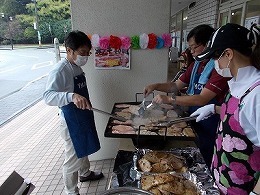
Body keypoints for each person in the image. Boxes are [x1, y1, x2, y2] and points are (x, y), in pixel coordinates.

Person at [143, 24, 230, 167]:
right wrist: (156, 86)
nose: (192, 52)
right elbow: (176, 85)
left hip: (212, 123)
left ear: (208, 44)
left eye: (194, 47)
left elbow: (202, 98)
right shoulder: (196, 65)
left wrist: (170, 99)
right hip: (194, 119)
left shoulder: (219, 68)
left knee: (208, 158)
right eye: (190, 48)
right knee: (195, 156)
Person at [190, 23, 260, 195]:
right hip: (223, 183)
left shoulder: (257, 94)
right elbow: (242, 119)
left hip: (244, 189)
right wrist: (215, 109)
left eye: (215, 57)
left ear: (228, 54)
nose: (214, 63)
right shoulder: (237, 84)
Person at [43, 30, 104, 195]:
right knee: (72, 157)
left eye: (87, 53)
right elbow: (48, 97)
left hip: (82, 114)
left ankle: (85, 174)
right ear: (69, 50)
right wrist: (71, 96)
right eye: (82, 53)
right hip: (71, 120)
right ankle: (71, 191)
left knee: (83, 146)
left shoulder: (76, 67)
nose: (85, 56)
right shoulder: (60, 70)